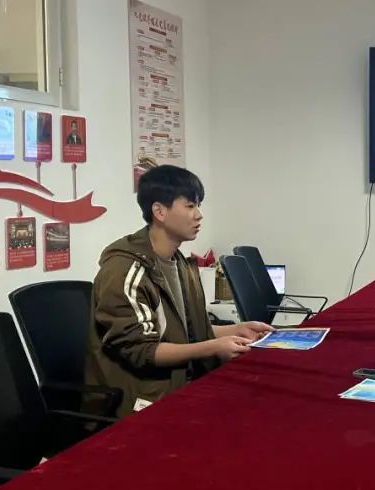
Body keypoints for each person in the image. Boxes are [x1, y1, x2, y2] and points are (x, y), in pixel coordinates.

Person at [85, 165, 271, 416]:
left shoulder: (179, 263)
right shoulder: (125, 270)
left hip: (184, 385)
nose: (199, 215)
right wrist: (214, 347)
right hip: (142, 401)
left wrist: (237, 330)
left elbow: (185, 332)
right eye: (190, 206)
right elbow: (143, 350)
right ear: (160, 211)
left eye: (198, 205)